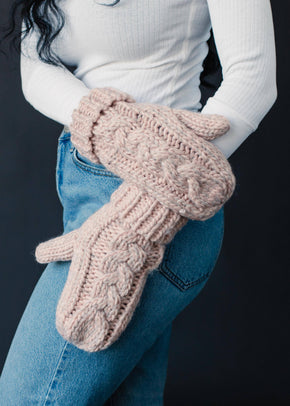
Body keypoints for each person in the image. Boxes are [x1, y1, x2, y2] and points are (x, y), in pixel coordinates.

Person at [0, 0, 277, 404]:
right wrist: (107, 123)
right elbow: (36, 63)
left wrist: (144, 211)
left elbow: (254, 78)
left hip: (167, 207)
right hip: (83, 184)